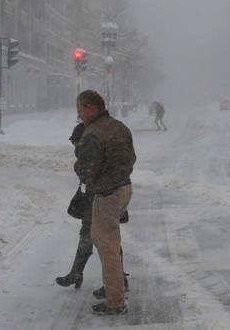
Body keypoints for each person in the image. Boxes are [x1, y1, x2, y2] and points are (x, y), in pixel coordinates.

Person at [74, 90, 136, 315]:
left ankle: (115, 301)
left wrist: (79, 160)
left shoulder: (93, 133)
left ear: (91, 108)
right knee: (111, 241)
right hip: (125, 187)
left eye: (80, 110)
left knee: (107, 247)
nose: (79, 115)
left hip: (107, 194)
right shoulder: (119, 126)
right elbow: (132, 158)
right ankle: (115, 287)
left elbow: (85, 170)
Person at [56, 122, 129, 297]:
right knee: (91, 237)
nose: (75, 147)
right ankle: (78, 273)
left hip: (103, 197)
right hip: (98, 197)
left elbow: (90, 173)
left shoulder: (96, 147)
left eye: (76, 143)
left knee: (107, 242)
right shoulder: (98, 145)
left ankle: (116, 281)